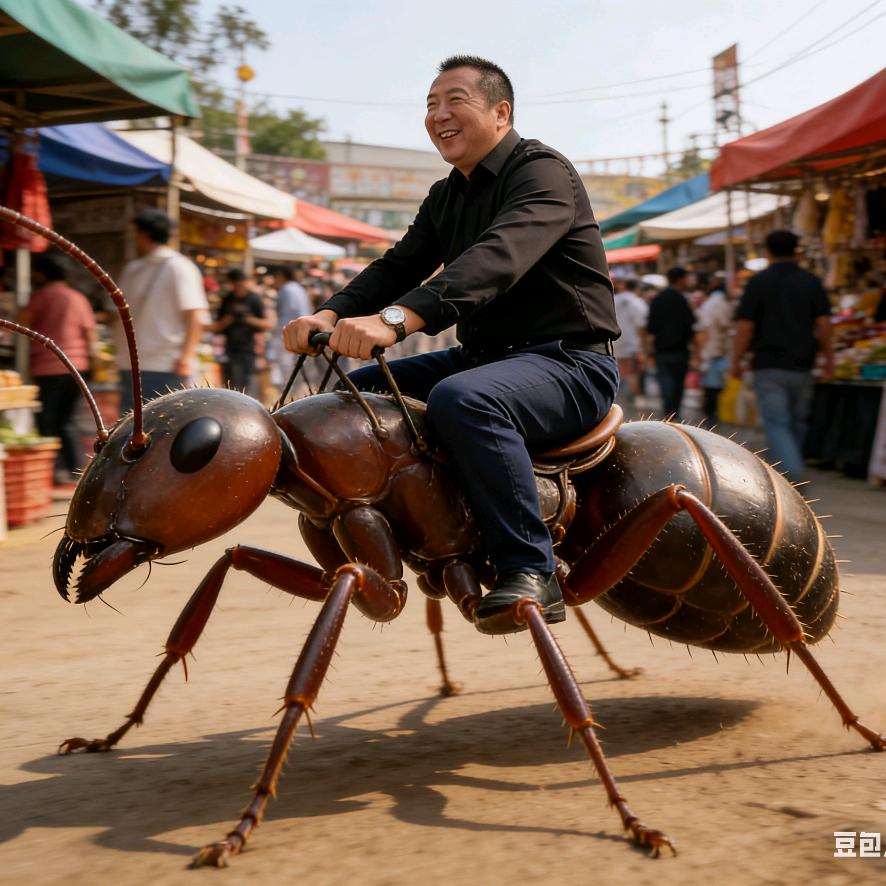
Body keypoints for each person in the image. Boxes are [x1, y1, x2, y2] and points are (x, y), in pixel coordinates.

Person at [283, 55, 619, 635]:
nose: (439, 114)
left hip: (569, 363)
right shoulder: (446, 196)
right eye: (430, 105)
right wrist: (331, 312)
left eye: (455, 100)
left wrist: (397, 320)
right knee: (353, 396)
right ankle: (422, 535)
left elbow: (498, 257)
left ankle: (530, 569)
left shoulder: (543, 173)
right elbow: (398, 265)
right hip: (487, 357)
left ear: (501, 111)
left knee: (466, 401)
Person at [731, 229, 833, 480]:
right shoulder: (811, 281)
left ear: (767, 250)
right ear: (796, 250)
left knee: (777, 422)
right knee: (797, 422)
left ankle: (792, 471)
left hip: (768, 363)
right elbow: (824, 324)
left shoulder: (758, 282)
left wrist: (736, 359)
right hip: (803, 363)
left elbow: (745, 326)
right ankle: (791, 466)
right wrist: (830, 358)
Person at [114, 208, 209, 412]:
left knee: (150, 429)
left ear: (144, 234)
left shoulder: (178, 267)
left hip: (164, 364)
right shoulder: (136, 269)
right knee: (150, 429)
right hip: (140, 363)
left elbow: (196, 317)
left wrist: (186, 357)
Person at [20, 252, 96, 485]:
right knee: (67, 420)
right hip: (77, 366)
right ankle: (76, 471)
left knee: (46, 422)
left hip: (47, 368)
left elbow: (21, 321)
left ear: (42, 274)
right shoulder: (77, 298)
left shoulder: (41, 296)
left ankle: (49, 473)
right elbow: (90, 334)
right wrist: (93, 362)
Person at [210, 268, 273, 395]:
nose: (239, 287)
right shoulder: (228, 299)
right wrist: (230, 318)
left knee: (247, 383)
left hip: (249, 349)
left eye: (241, 284)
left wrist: (247, 318)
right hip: (230, 348)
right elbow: (216, 326)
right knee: (230, 385)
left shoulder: (254, 299)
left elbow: (268, 324)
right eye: (235, 284)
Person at [645, 266, 696, 420]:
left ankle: (669, 412)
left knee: (666, 383)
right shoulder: (682, 300)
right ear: (680, 279)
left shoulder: (658, 300)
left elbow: (651, 328)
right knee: (678, 385)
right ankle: (675, 413)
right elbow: (690, 326)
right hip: (680, 350)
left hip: (662, 350)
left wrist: (648, 351)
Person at [694, 274, 734, 425]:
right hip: (715, 349)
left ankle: (710, 413)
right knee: (713, 385)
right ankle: (711, 415)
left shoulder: (710, 303)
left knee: (711, 384)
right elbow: (722, 326)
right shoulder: (720, 303)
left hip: (712, 349)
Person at [268, 265, 312, 392]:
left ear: (281, 276)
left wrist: (278, 337)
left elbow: (287, 316)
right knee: (296, 368)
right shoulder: (299, 288)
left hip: (289, 333)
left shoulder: (287, 290)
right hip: (301, 332)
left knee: (287, 369)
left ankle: (288, 397)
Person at [612, 276, 648, 407]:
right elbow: (642, 325)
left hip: (616, 341)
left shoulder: (613, 300)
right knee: (633, 372)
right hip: (633, 342)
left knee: (619, 370)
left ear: (623, 286)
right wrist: (645, 345)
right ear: (637, 288)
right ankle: (637, 397)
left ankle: (615, 398)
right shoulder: (637, 302)